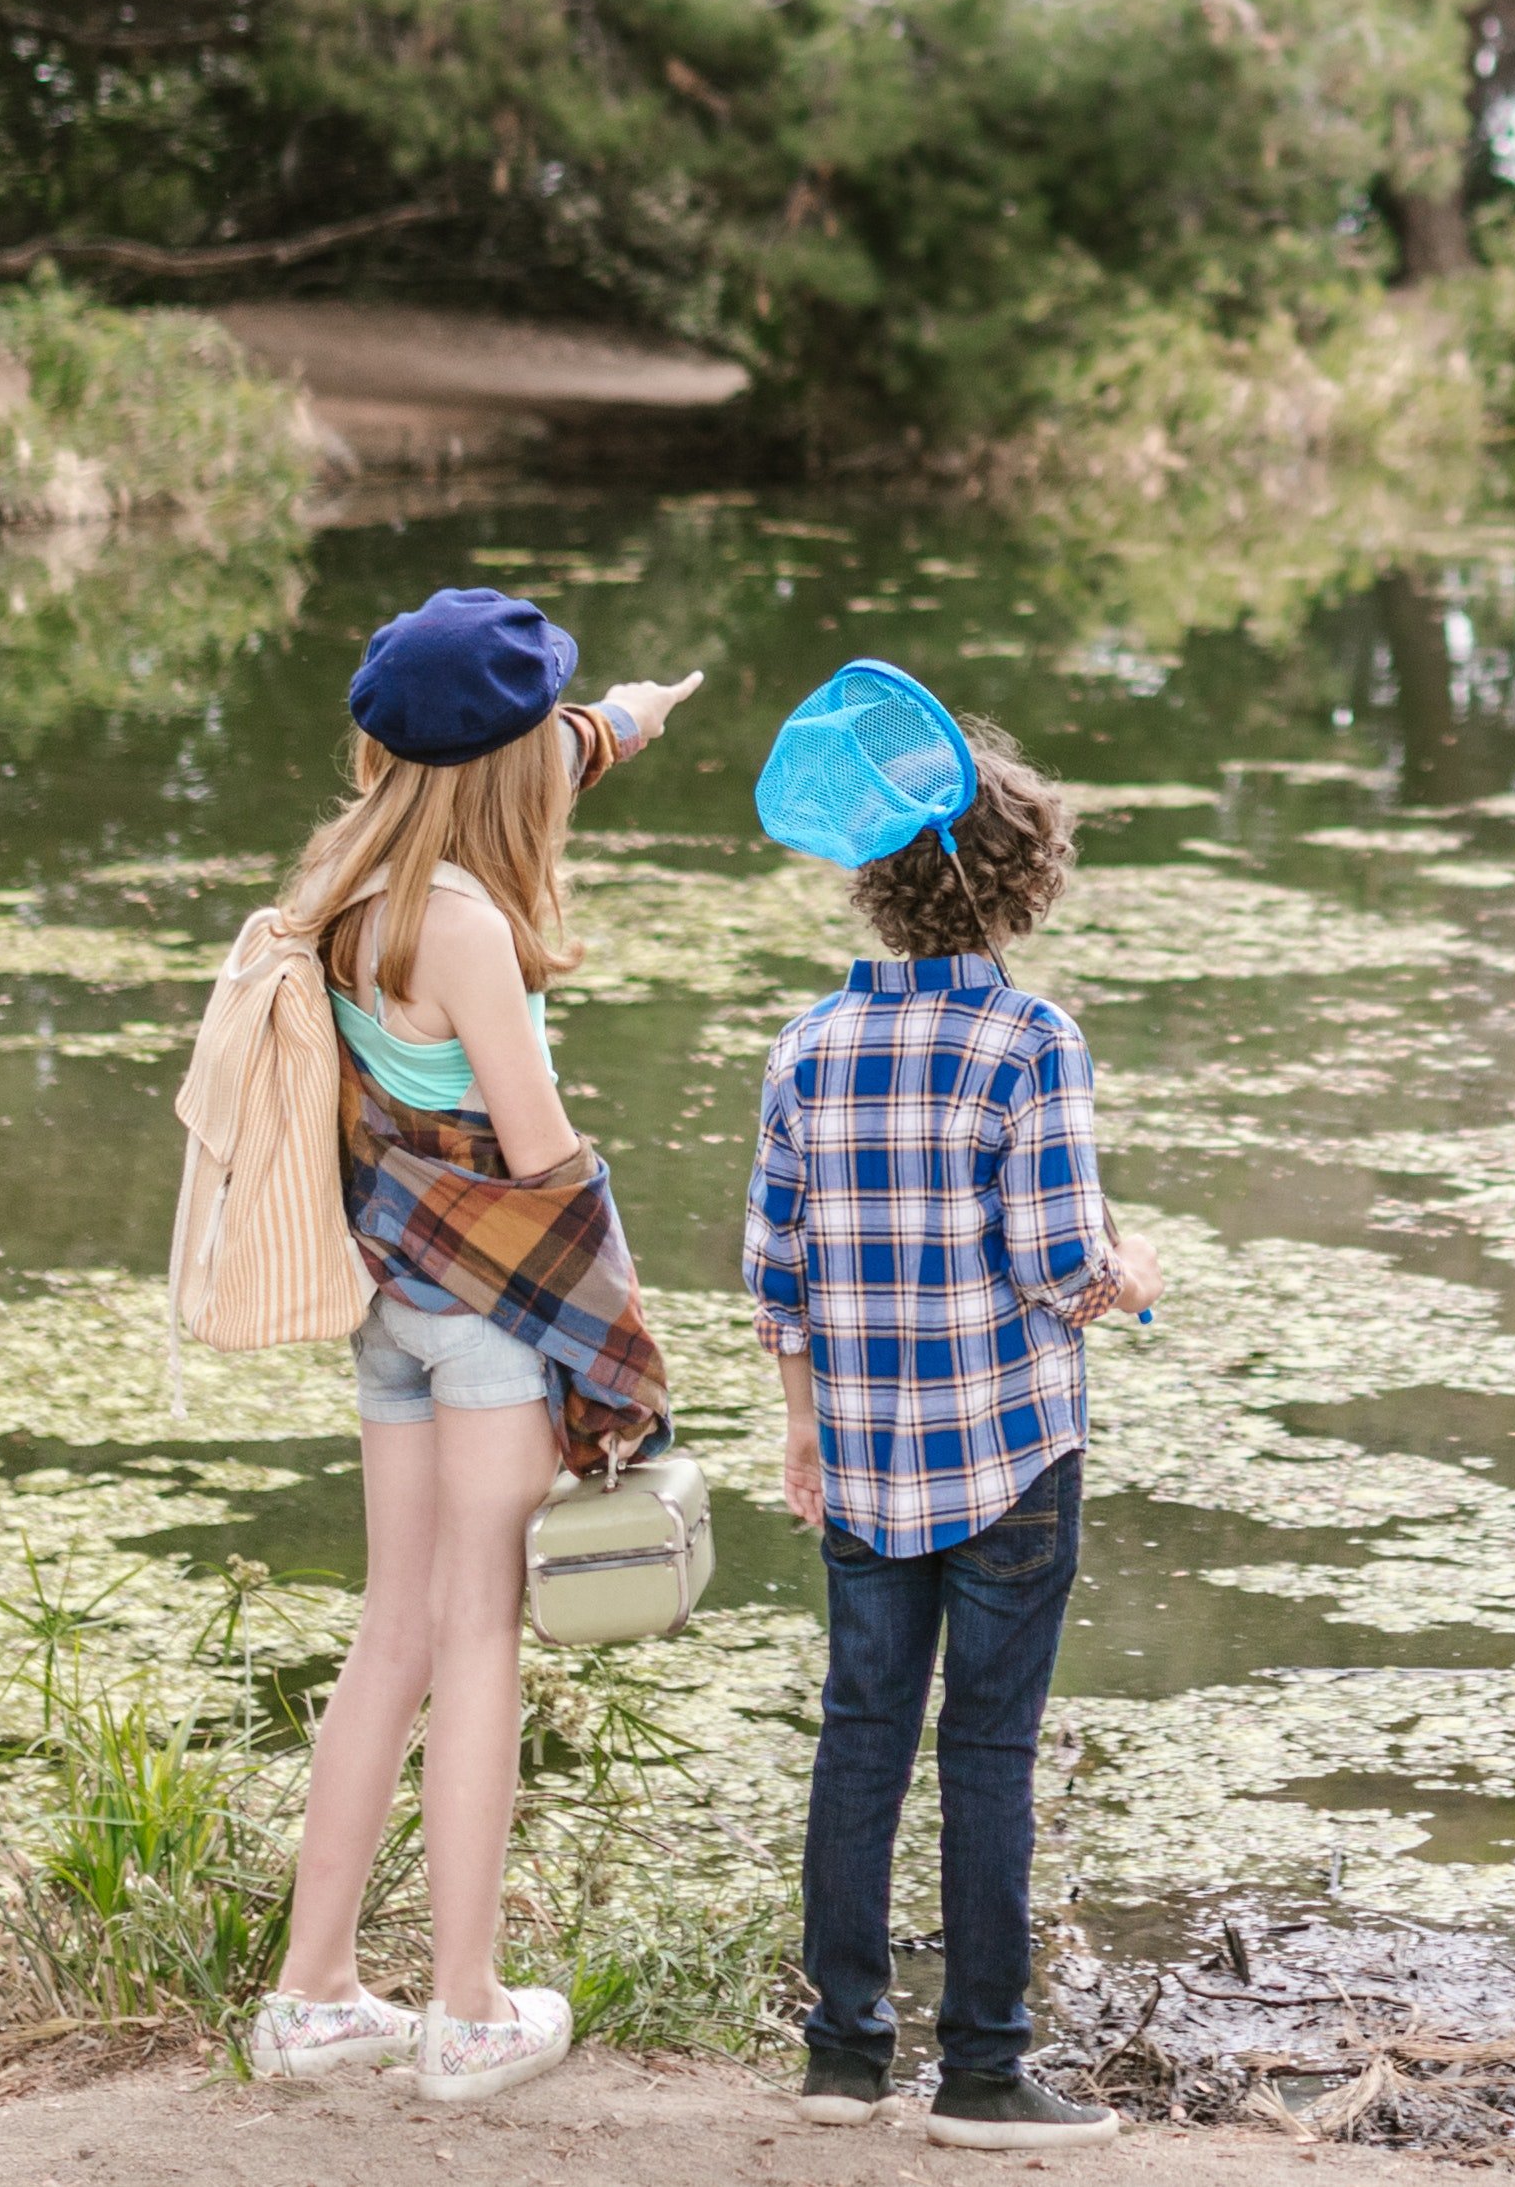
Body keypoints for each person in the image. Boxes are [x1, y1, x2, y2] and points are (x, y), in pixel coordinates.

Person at [246, 586, 696, 2106]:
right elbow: (545, 1157)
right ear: (504, 776)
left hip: (389, 1308)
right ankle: (467, 2010)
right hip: (495, 1329)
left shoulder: (348, 880)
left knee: (395, 1631)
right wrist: (625, 1354)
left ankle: (311, 1996)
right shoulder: (464, 925)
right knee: (484, 1640)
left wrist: (628, 719)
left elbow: (545, 752)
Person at [749, 695, 1161, 2150]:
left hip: (860, 1454)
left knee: (861, 1737)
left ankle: (844, 2057)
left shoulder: (808, 1043)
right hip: (1009, 1458)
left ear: (877, 876)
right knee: (987, 1752)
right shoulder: (1032, 1039)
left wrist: (800, 1432)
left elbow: (778, 1274)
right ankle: (984, 2071)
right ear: (1025, 879)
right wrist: (1133, 1267)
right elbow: (1062, 1266)